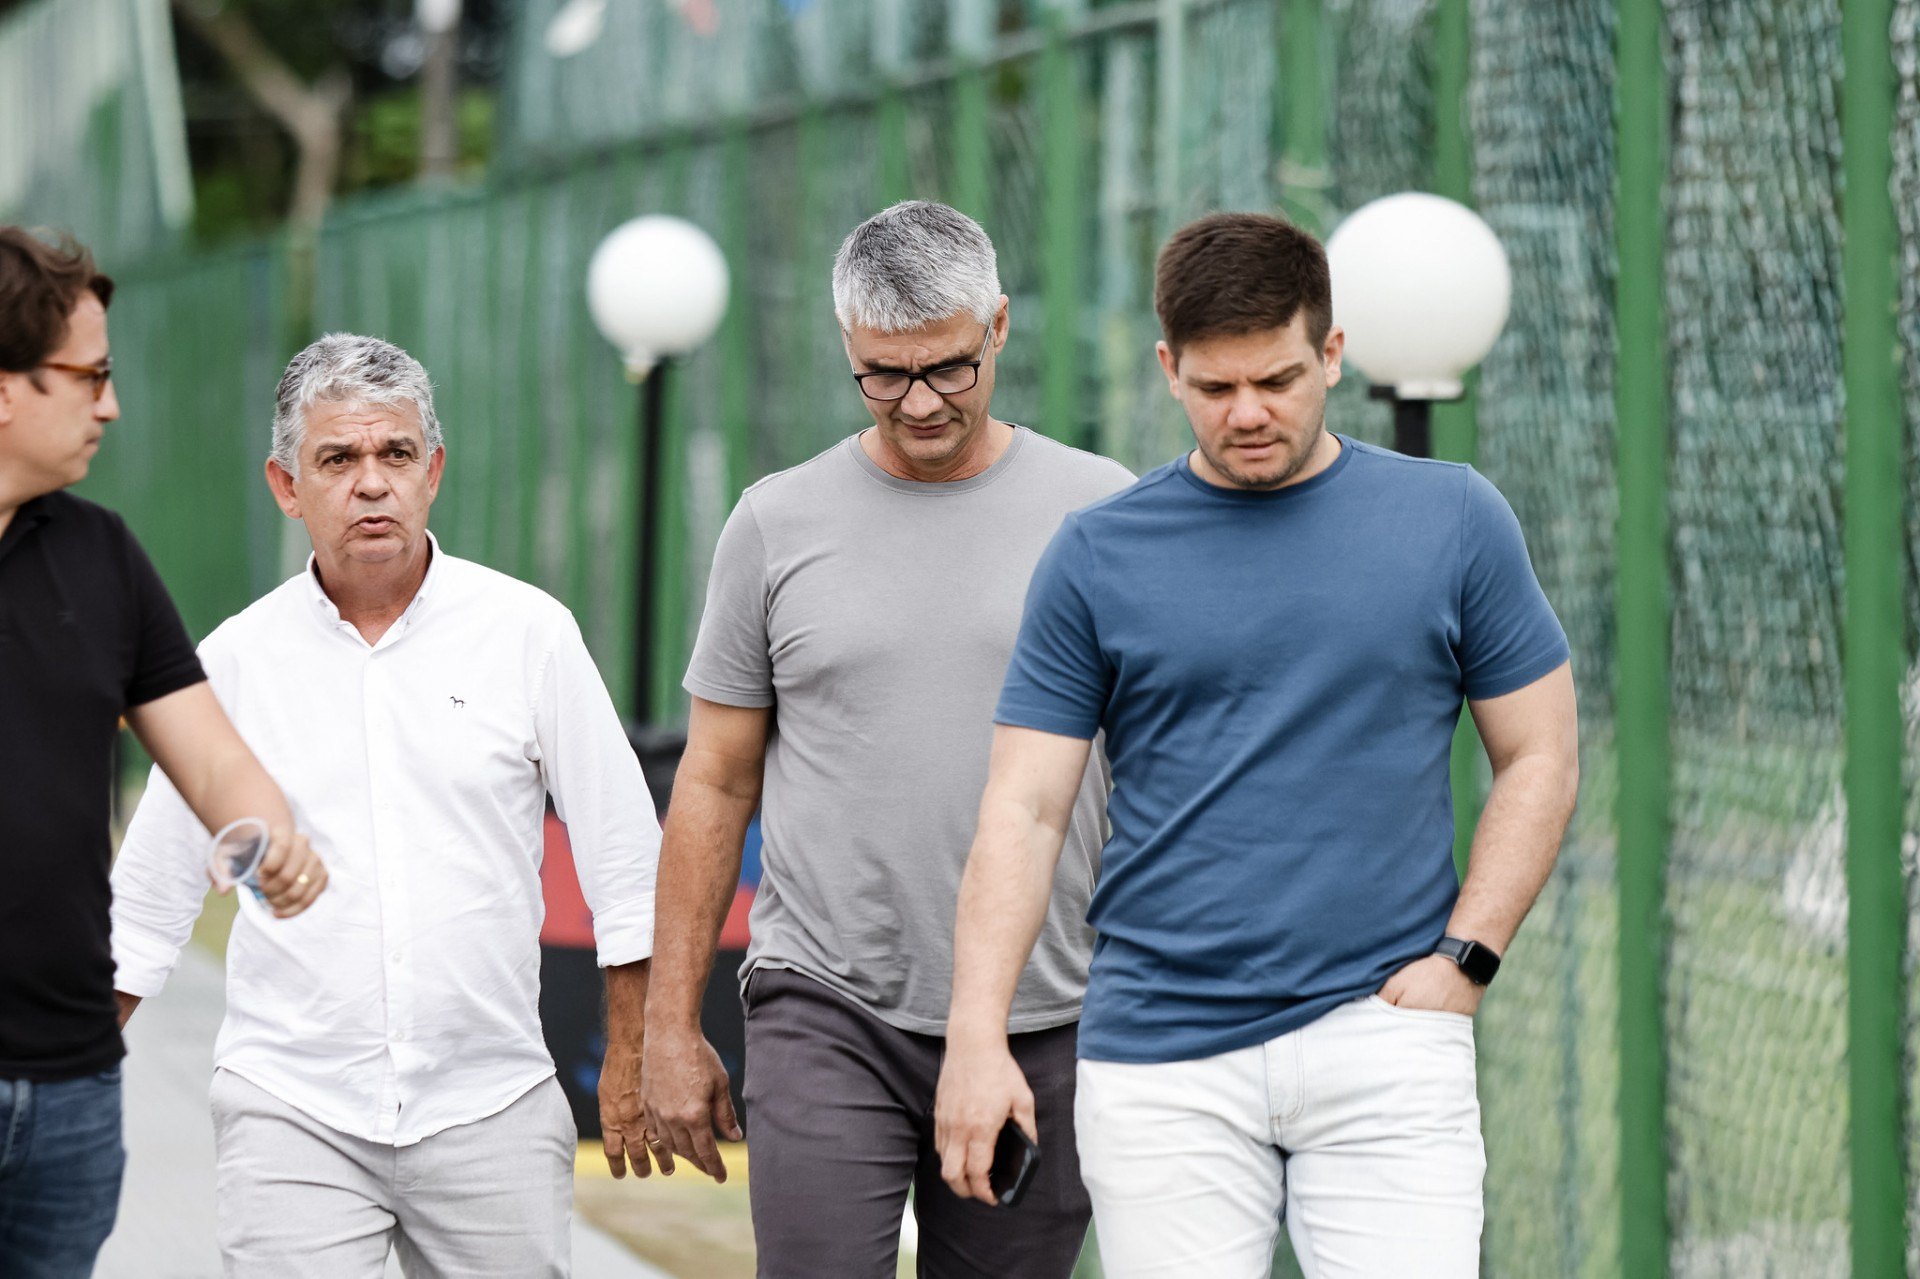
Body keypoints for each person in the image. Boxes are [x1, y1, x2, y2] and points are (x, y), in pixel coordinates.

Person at [933, 212, 1580, 1278]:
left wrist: (1468, 957)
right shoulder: (1097, 553)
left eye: (1277, 380)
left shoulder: (1454, 518)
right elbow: (1025, 806)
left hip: (1386, 1033)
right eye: (1213, 387)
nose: (1247, 413)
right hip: (1159, 1052)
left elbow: (1543, 754)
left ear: (1333, 352)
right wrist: (977, 1032)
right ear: (1167, 369)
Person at [639, 200, 1133, 1277]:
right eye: (884, 374)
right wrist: (668, 1028)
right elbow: (714, 784)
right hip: (830, 1000)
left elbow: (1160, 772)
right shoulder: (775, 522)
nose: (919, 403)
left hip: (1047, 1012)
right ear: (848, 351)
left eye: (949, 367)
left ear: (999, 326)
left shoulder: (1103, 516)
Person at [108, 334, 662, 1277]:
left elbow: (625, 863)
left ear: (432, 470)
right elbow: (149, 901)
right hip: (292, 1108)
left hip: (490, 1103)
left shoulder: (528, 635)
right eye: (339, 458)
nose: (372, 483)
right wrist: (57, 1081)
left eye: (394, 454)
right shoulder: (235, 660)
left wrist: (635, 1057)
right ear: (287, 486)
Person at [0, 226, 324, 1278]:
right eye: (88, 377)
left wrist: (270, 832)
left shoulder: (103, 557)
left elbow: (213, 759)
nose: (111, 403)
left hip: (71, 1087)